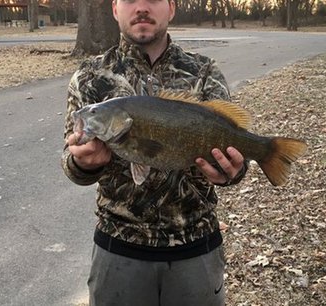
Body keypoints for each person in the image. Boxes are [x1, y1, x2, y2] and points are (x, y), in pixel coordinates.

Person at [61, 0, 247, 305]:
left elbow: (232, 146)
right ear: (115, 9)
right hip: (118, 250)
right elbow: (70, 163)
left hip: (195, 248)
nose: (142, 8)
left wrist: (233, 172)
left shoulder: (204, 71)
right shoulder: (89, 76)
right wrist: (84, 164)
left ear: (172, 8)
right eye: (130, 0)